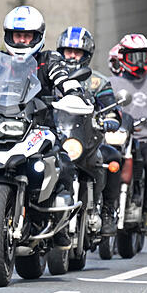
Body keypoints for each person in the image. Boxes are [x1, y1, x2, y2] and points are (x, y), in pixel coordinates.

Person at [0, 6, 86, 250]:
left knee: (64, 162)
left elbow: (63, 78)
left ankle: (59, 223)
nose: (21, 40)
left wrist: (73, 92)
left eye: (27, 36)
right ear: (8, 36)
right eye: (16, 35)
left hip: (39, 127)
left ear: (38, 37)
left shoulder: (49, 60)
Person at [56, 26, 122, 236]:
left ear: (87, 55)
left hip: (88, 139)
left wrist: (111, 120)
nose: (73, 55)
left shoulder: (98, 81)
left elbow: (110, 107)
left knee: (113, 159)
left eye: (78, 52)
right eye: (68, 51)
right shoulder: (52, 75)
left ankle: (108, 212)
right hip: (58, 138)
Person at [108, 33, 147, 237]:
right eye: (133, 56)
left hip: (143, 140)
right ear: (122, 58)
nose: (139, 61)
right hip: (115, 139)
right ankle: (101, 209)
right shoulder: (110, 83)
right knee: (99, 164)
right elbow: (97, 105)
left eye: (143, 56)